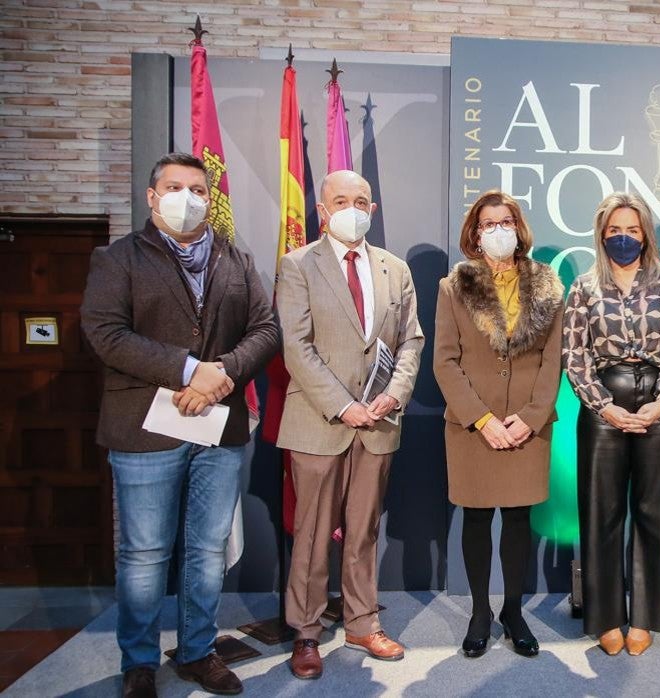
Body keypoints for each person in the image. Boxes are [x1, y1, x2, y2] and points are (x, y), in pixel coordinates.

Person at [81, 152, 280, 698]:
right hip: (144, 429)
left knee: (207, 547)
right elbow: (105, 333)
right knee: (145, 552)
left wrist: (221, 375)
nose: (187, 198)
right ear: (152, 196)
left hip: (218, 426)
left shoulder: (236, 259)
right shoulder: (118, 258)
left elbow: (265, 330)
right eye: (175, 187)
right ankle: (139, 663)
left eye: (197, 188)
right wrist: (189, 370)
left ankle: (196, 651)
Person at [276, 170, 424, 680]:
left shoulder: (394, 269)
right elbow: (296, 346)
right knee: (313, 534)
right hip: (320, 421)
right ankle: (307, 631)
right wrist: (343, 406)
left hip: (379, 423)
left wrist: (392, 395)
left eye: (362, 201)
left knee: (363, 531)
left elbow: (411, 342)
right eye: (342, 200)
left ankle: (363, 621)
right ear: (323, 210)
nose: (353, 208)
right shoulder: (297, 265)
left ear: (373, 210)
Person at [563, 192, 660, 656]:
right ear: (603, 234)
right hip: (605, 402)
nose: (624, 238)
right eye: (615, 230)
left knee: (655, 512)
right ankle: (605, 618)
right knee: (601, 512)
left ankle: (645, 616)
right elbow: (574, 357)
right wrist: (604, 406)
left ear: (646, 235)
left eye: (633, 230)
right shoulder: (583, 286)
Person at [432, 190, 564, 658]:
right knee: (476, 517)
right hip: (474, 427)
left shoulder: (548, 283)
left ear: (519, 228)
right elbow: (445, 362)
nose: (498, 230)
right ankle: (480, 613)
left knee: (517, 518)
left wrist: (529, 420)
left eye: (505, 221)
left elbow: (553, 360)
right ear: (475, 233)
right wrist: (483, 419)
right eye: (488, 224)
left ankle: (512, 610)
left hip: (528, 425)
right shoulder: (454, 286)